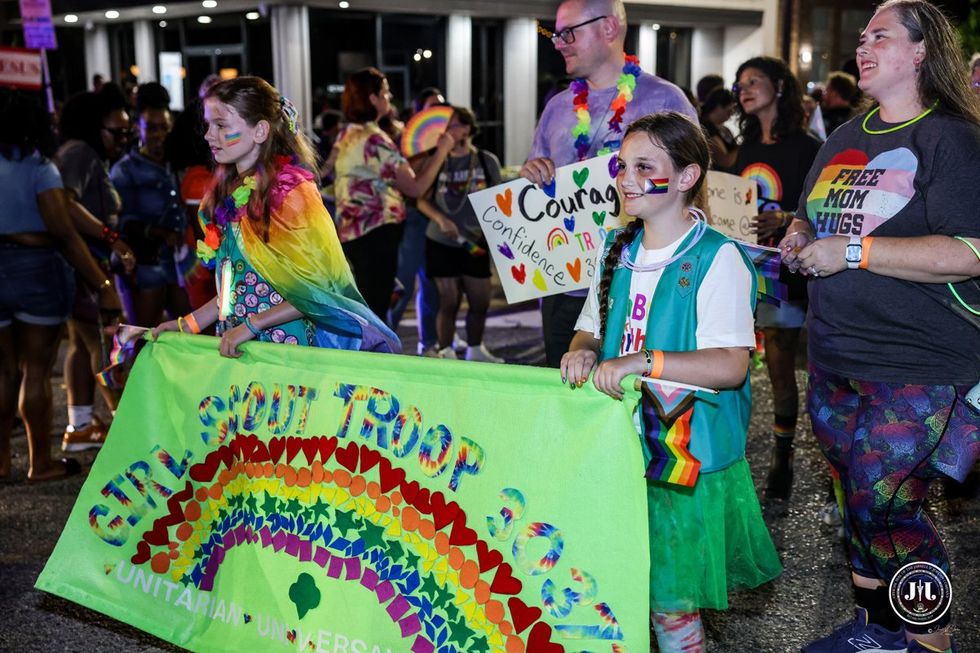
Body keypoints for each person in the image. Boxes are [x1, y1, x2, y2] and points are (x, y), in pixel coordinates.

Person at [781, 2, 980, 651]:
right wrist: (798, 234)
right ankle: (878, 630)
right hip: (837, 357)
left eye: (881, 36)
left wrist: (854, 250)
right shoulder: (845, 136)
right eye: (861, 36)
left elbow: (970, 250)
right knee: (854, 506)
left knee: (886, 506)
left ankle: (931, 640)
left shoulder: (951, 138)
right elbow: (809, 214)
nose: (863, 45)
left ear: (922, 51)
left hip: (918, 367)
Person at [561, 112, 780, 652]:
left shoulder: (718, 259)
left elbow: (730, 365)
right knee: (612, 593)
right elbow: (587, 331)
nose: (625, 178)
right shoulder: (615, 250)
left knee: (669, 606)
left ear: (686, 177)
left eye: (644, 166)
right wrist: (582, 355)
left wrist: (642, 360)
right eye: (622, 166)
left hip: (682, 465)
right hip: (617, 454)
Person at [152, 77, 399, 356]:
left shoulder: (291, 193)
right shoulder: (225, 196)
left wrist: (252, 325)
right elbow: (233, 290)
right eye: (208, 125)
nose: (209, 135)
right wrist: (187, 325)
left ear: (260, 131)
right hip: (241, 345)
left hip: (286, 349)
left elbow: (318, 288)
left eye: (220, 125)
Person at [520, 0, 697, 368]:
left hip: (640, 283)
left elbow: (694, 192)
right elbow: (537, 189)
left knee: (635, 400)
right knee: (564, 392)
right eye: (557, 33)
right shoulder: (557, 107)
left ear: (609, 29)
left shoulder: (664, 100)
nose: (558, 42)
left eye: (569, 32)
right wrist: (534, 174)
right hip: (564, 284)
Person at [0, 90, 120, 481]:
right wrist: (102, 284)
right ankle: (40, 463)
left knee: (3, 372)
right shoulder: (40, 169)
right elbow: (65, 234)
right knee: (36, 369)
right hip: (36, 274)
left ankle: (2, 462)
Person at [733, 56, 822, 500]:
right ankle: (768, 455)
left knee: (784, 365)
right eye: (740, 83)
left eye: (755, 81)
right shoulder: (743, 149)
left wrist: (786, 218)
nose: (744, 89)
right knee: (764, 365)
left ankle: (783, 458)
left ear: (780, 87)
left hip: (791, 270)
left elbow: (823, 209)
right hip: (749, 269)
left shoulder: (807, 148)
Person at [330, 67, 454, 322]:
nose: (389, 97)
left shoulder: (347, 133)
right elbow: (416, 188)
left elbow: (328, 171)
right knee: (375, 311)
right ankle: (374, 359)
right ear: (373, 99)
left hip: (350, 232)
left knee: (365, 307)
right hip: (376, 234)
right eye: (385, 92)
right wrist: (441, 151)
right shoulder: (376, 141)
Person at [55, 84, 133, 451]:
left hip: (79, 261)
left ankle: (81, 426)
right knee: (105, 342)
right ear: (93, 126)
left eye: (126, 131)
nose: (123, 139)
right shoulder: (80, 154)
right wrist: (109, 235)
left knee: (83, 343)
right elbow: (66, 205)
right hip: (85, 263)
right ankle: (125, 426)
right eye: (116, 131)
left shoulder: (83, 154)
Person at [417, 107, 504, 362]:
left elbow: (499, 200)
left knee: (480, 300)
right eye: (445, 126)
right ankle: (446, 351)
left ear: (467, 128)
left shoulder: (486, 161)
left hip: (475, 241)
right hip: (441, 240)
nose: (448, 131)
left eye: (454, 125)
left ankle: (475, 348)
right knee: (449, 300)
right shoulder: (436, 160)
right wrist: (441, 219)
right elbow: (420, 199)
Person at [110, 88, 193, 326]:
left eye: (164, 127)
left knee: (186, 334)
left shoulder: (175, 163)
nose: (160, 134)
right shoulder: (125, 170)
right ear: (139, 128)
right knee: (142, 337)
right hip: (144, 264)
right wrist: (159, 232)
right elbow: (121, 222)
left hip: (178, 262)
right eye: (152, 127)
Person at [389, 87, 446, 355]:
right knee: (402, 282)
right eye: (432, 106)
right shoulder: (408, 142)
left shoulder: (445, 140)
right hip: (412, 218)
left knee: (433, 284)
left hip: (435, 218)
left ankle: (429, 342)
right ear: (418, 112)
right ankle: (386, 341)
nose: (438, 111)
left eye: (442, 106)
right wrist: (435, 154)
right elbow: (415, 185)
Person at [698, 86, 738, 170]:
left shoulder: (724, 129)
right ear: (718, 107)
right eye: (729, 111)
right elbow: (725, 161)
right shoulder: (704, 128)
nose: (731, 114)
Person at [821, 71, 859, 135]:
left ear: (834, 93)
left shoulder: (851, 120)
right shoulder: (856, 118)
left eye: (827, 90)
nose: (823, 94)